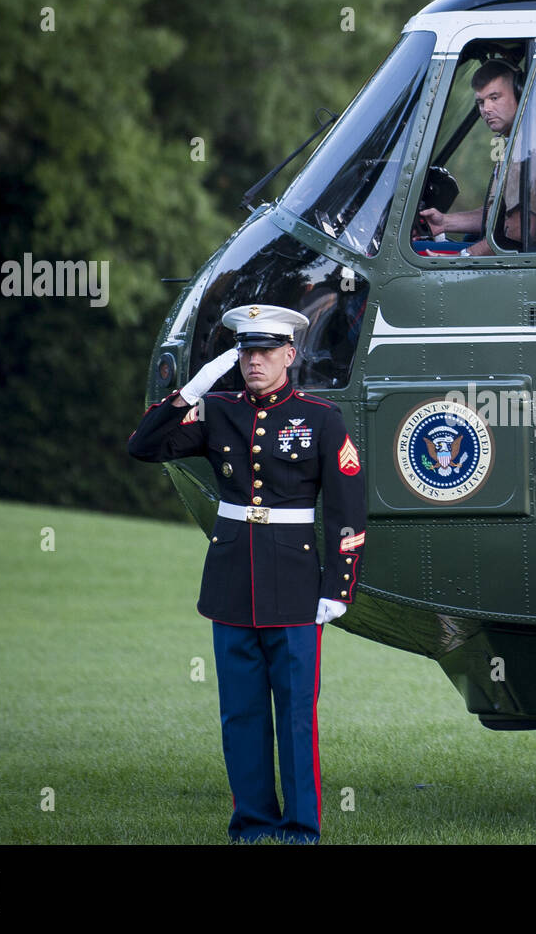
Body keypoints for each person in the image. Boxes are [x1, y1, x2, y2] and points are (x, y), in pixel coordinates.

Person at [127, 304, 366, 843]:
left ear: (290, 354)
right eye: (245, 351)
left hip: (297, 583)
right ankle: (254, 824)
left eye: (265, 351)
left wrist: (339, 587)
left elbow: (347, 509)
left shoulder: (321, 418)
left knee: (297, 719)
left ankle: (301, 828)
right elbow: (143, 446)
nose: (253, 361)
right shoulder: (217, 410)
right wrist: (192, 390)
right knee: (241, 715)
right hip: (233, 580)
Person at [417, 59, 522, 257]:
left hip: (510, 263)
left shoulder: (529, 153)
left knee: (417, 254)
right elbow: (498, 217)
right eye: (481, 102)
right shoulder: (515, 144)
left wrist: (462, 256)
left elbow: (513, 234)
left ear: (520, 93)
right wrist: (444, 222)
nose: (486, 109)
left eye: (494, 97)